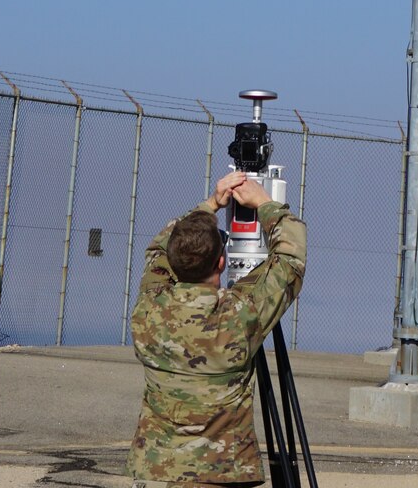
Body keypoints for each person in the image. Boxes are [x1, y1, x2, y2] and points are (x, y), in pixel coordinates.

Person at [127, 168, 307, 484]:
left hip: (157, 468)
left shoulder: (149, 311)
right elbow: (290, 260)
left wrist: (210, 204)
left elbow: (158, 250)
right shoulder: (240, 315)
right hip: (222, 471)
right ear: (221, 262)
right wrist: (264, 202)